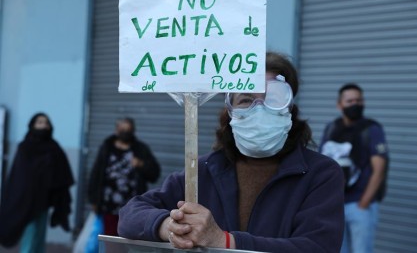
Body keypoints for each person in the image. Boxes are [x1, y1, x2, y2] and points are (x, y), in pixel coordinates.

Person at [118, 52, 345, 252]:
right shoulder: (202, 172)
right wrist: (168, 226)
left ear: (290, 109)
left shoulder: (320, 174)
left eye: (273, 99)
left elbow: (317, 246)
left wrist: (224, 241)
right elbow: (130, 216)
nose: (259, 109)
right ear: (230, 112)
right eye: (246, 99)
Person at [319, 83, 389, 253]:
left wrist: (364, 203)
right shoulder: (332, 128)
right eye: (350, 101)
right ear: (339, 105)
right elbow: (321, 163)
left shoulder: (372, 129)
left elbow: (379, 169)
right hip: (335, 206)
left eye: (359, 100)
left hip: (359, 205)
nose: (355, 104)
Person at [0, 113, 74, 252]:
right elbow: (20, 176)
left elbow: (61, 171)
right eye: (39, 122)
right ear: (33, 125)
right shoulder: (25, 147)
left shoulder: (53, 146)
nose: (43, 125)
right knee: (30, 234)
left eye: (46, 123)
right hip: (25, 201)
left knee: (39, 236)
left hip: (44, 199)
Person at [88, 117, 161, 236]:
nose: (125, 132)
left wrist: (141, 164)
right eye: (122, 129)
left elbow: (155, 174)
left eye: (129, 129)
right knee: (109, 238)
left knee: (128, 239)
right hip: (108, 206)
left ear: (133, 131)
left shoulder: (140, 149)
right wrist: (94, 200)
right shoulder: (107, 147)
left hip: (132, 207)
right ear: (116, 130)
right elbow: (96, 174)